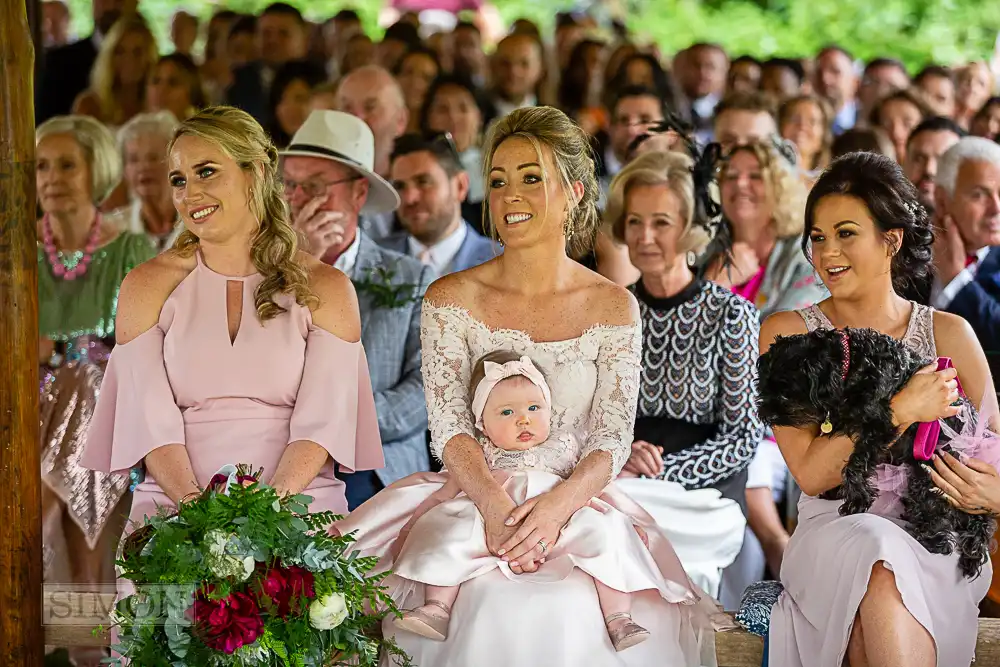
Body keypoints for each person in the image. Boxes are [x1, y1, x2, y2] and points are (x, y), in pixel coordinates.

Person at [342, 105, 722, 667]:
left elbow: (611, 440)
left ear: (571, 192)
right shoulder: (449, 299)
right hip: (475, 501)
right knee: (486, 600)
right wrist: (495, 508)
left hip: (578, 504)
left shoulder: (613, 305)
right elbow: (448, 429)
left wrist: (554, 510)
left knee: (569, 604)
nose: (510, 195)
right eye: (498, 181)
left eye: (530, 179)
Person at [83, 108, 385, 610]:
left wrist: (265, 518)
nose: (189, 194)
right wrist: (199, 517)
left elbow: (322, 425)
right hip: (173, 507)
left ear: (257, 173)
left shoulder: (328, 289)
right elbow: (150, 421)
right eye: (178, 179)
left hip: (297, 506)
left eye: (207, 172)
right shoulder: (145, 287)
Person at [761, 151, 994, 667]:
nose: (826, 253)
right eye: (817, 237)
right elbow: (813, 474)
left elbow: (991, 451)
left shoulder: (950, 333)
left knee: (875, 610)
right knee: (876, 553)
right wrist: (898, 411)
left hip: (938, 537)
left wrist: (994, 491)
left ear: (891, 240)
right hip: (835, 528)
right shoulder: (790, 334)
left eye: (846, 233)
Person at [360, 352, 659, 652]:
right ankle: (437, 607)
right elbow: (445, 493)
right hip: (489, 520)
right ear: (482, 424)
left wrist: (626, 523)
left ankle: (619, 618)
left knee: (603, 531)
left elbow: (592, 491)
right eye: (506, 412)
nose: (523, 419)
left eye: (533, 407)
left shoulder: (566, 448)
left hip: (560, 518)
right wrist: (416, 522)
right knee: (449, 528)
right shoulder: (479, 454)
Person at [606, 149, 761, 596]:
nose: (645, 236)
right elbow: (587, 421)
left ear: (690, 230)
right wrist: (620, 458)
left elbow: (742, 439)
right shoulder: (612, 313)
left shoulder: (731, 315)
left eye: (661, 222)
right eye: (634, 222)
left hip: (702, 500)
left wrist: (657, 472)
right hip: (618, 481)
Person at [281, 110, 432, 508]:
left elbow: (425, 391)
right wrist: (297, 268)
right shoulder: (262, 275)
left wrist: (342, 421)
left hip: (379, 468)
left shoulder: (410, 278)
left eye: (314, 187)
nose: (297, 199)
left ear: (359, 194)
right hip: (280, 461)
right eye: (290, 184)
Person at [382, 132, 498, 275]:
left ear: (460, 186)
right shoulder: (374, 260)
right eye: (400, 186)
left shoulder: (502, 264)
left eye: (423, 182)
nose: (409, 198)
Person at [930, 137, 1000, 354]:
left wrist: (956, 281)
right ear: (942, 201)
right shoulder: (905, 255)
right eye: (979, 195)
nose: (996, 208)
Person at [115, 111, 183, 252]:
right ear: (125, 171)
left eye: (153, 158)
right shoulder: (114, 231)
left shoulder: (201, 224)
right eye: (134, 160)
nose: (143, 167)